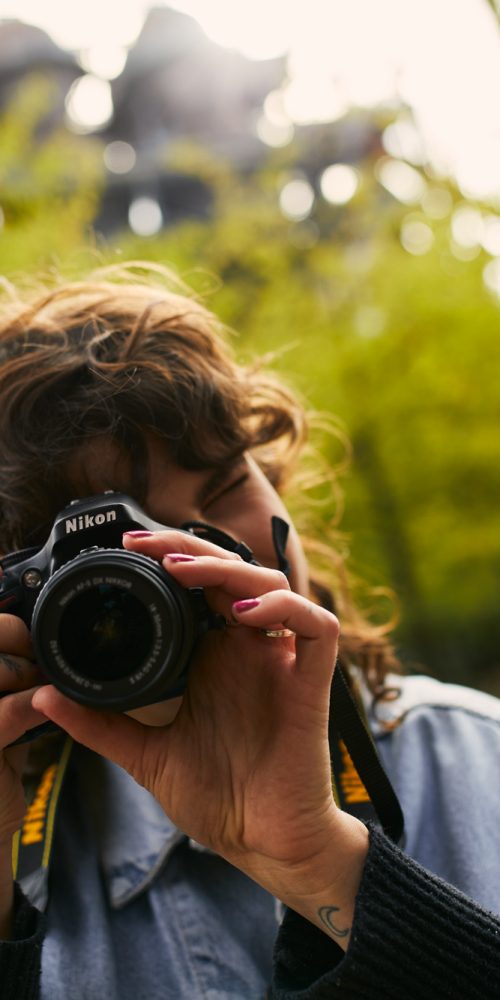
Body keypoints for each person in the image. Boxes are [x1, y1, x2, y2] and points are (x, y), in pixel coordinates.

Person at [0, 263, 499, 1000]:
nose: (204, 560)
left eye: (228, 488)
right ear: (37, 613)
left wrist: (320, 863)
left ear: (276, 477)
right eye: (121, 568)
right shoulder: (22, 850)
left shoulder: (475, 760)